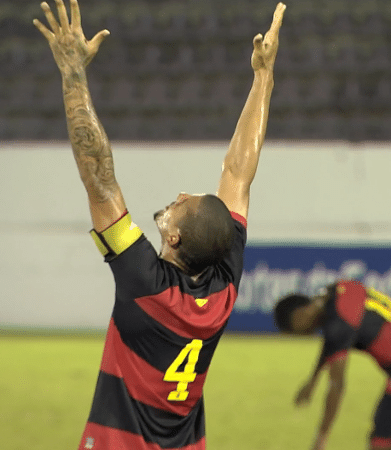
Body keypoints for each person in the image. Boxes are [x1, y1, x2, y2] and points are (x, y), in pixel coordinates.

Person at [33, 0, 286, 448]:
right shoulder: (222, 287)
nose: (183, 194)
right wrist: (263, 77)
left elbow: (100, 180)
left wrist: (72, 74)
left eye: (182, 204)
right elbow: (238, 172)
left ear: (173, 237)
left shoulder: (146, 283)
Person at [274, 280, 391, 450]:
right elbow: (331, 343)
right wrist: (313, 381)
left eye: (296, 331)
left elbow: (337, 385)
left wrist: (321, 438)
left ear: (300, 314)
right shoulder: (336, 291)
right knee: (382, 440)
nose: (302, 335)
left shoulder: (338, 325)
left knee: (381, 443)